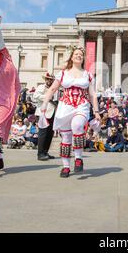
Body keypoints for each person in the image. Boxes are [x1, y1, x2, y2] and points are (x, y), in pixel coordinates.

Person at [41, 46, 101, 178]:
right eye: (76, 54)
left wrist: (96, 112)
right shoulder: (63, 73)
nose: (79, 56)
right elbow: (52, 90)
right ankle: (66, 166)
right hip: (65, 106)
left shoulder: (88, 75)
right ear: (72, 57)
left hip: (81, 104)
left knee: (77, 125)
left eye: (81, 54)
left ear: (83, 58)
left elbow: (93, 95)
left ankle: (78, 158)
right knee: (66, 138)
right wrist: (44, 104)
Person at [33, 72, 57, 161]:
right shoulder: (41, 87)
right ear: (45, 79)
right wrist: (48, 96)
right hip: (42, 112)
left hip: (52, 112)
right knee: (43, 133)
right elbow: (35, 96)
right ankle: (40, 153)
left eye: (51, 79)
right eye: (48, 79)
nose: (49, 80)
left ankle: (45, 151)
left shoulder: (54, 88)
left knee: (50, 134)